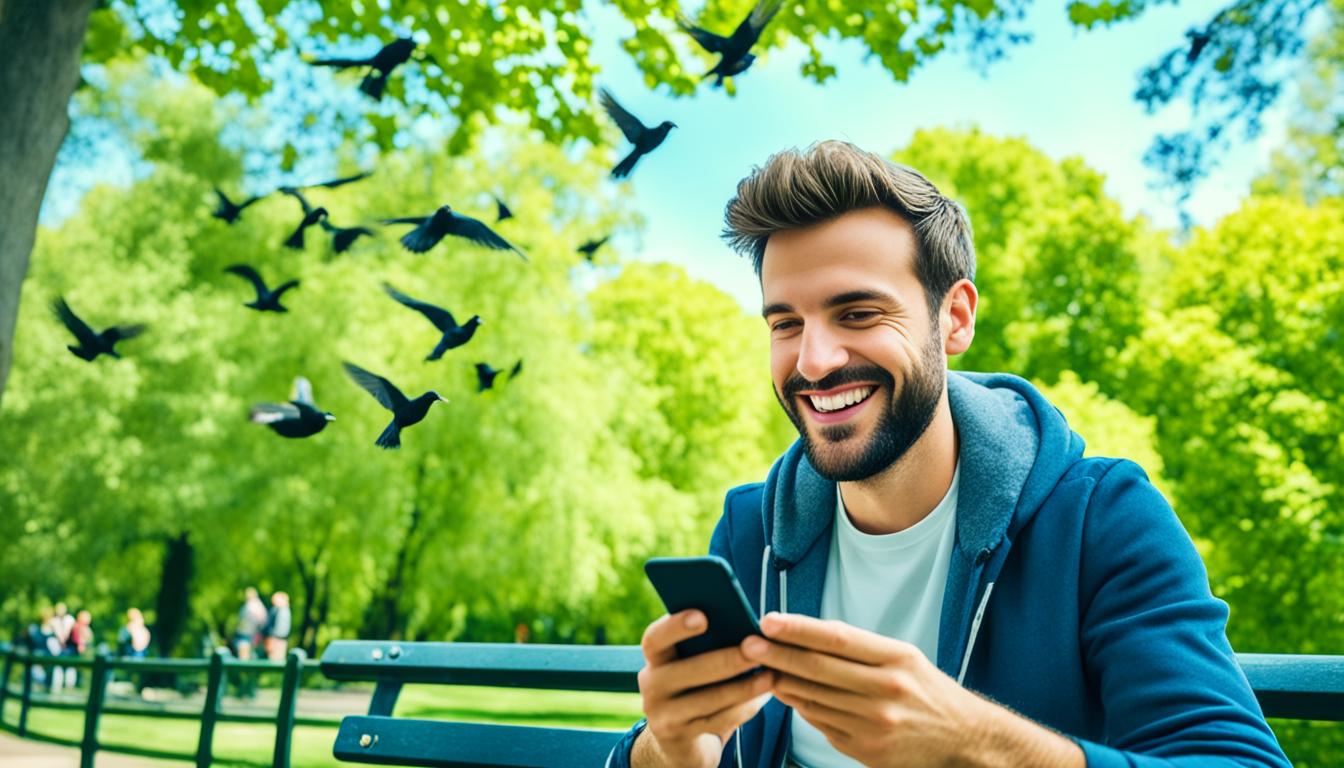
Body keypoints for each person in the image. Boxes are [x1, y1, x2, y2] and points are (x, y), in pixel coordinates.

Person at [609, 141, 1289, 768]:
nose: (813, 361)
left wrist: (976, 743)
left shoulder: (1103, 519)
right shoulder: (751, 530)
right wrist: (666, 750)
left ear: (955, 318)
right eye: (786, 323)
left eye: (858, 314)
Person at [233, 587, 268, 661]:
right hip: (245, 633)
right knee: (244, 655)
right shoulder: (249, 605)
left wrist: (259, 633)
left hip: (249, 634)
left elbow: (262, 621)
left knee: (245, 656)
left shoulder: (256, 606)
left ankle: (245, 670)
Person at [262, 591, 291, 661]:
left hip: (276, 639)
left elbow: (271, 627)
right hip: (279, 639)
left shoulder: (278, 610)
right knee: (276, 659)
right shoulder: (285, 610)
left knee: (276, 659)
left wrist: (270, 639)